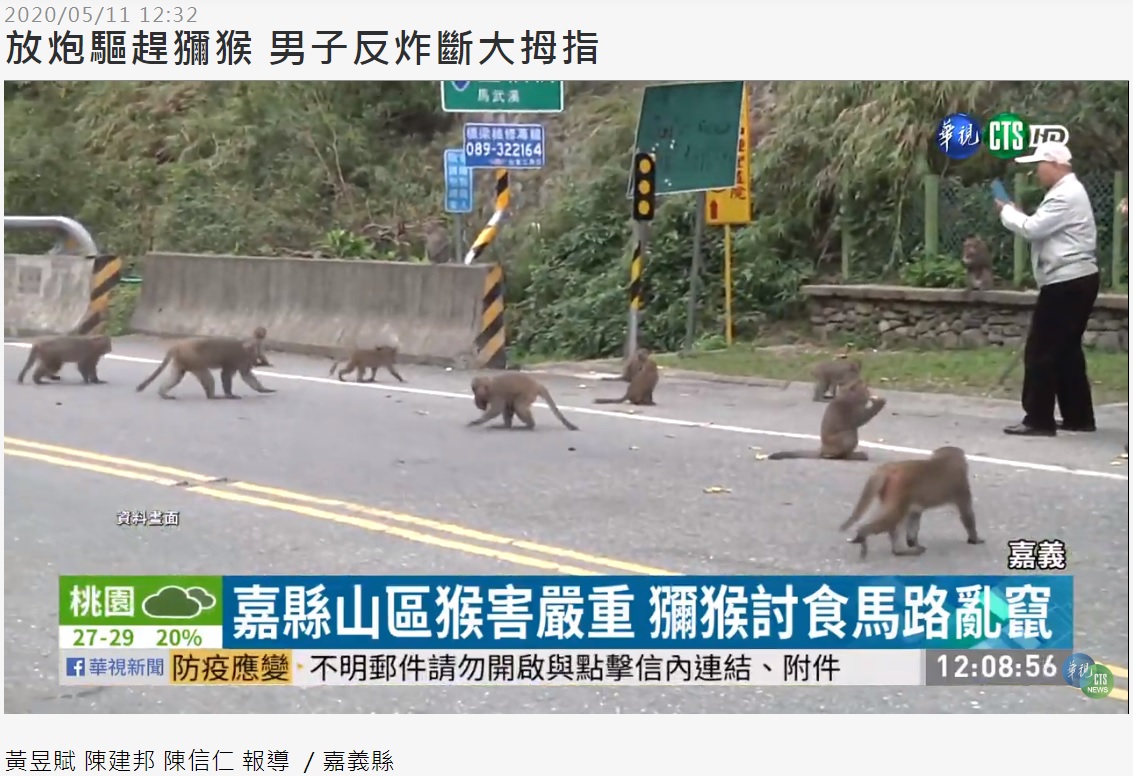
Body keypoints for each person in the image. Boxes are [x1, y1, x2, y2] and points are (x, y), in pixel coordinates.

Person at [995, 141, 1100, 437]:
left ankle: (1038, 418)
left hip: (1066, 280)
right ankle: (1078, 416)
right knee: (1066, 349)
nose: (1036, 172)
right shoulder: (1066, 192)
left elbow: (1032, 229)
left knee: (1041, 349)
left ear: (1055, 164)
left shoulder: (1065, 194)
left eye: (1039, 165)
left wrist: (1007, 212)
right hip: (1077, 278)